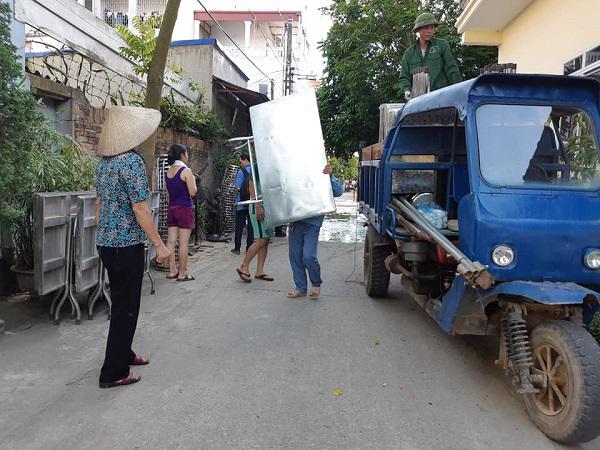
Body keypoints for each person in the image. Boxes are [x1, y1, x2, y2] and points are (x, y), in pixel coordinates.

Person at [95, 106, 170, 389]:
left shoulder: (104, 164)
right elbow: (140, 208)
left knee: (122, 304)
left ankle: (123, 353)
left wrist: (106, 233)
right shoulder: (131, 162)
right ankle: (113, 372)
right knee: (126, 308)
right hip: (126, 246)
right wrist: (160, 245)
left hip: (107, 244)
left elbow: (100, 204)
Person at [287, 164, 344, 299]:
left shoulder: (321, 169)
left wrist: (330, 176)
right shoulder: (294, 171)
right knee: (295, 256)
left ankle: (316, 284)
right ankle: (300, 288)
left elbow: (338, 191)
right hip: (296, 220)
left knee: (308, 256)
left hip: (313, 222)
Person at [399, 12, 461, 101]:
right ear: (418, 30)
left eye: (432, 27)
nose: (429, 31)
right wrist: (406, 90)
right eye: (426, 28)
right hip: (418, 100)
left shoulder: (442, 45)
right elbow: (404, 77)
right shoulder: (409, 53)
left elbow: (451, 69)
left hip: (441, 96)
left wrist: (458, 89)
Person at [235, 164, 273, 283]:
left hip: (266, 206)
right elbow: (250, 184)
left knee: (265, 239)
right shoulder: (257, 165)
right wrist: (257, 205)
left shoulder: (269, 163)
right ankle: (244, 266)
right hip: (258, 206)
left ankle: (260, 271)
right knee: (261, 239)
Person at [165, 144, 197, 281]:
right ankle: (183, 273)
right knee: (183, 243)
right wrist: (193, 180)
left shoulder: (168, 172)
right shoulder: (186, 171)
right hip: (184, 208)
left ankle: (172, 270)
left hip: (172, 208)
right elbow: (193, 192)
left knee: (171, 241)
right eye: (187, 153)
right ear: (182, 155)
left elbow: (168, 194)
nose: (187, 156)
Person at [231, 154, 254, 255]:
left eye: (241, 161)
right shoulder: (254, 171)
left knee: (239, 226)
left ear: (245, 160)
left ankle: (237, 248)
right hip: (252, 203)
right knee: (251, 227)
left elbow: (238, 188)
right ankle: (249, 248)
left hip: (241, 203)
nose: (240, 163)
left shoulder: (241, 172)